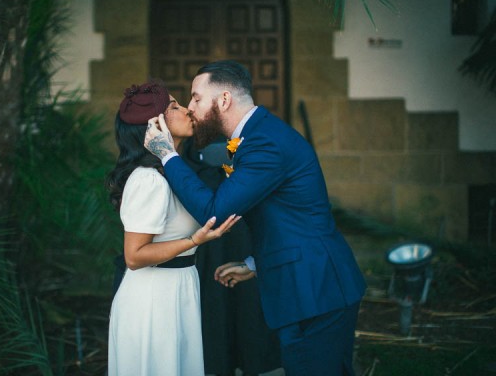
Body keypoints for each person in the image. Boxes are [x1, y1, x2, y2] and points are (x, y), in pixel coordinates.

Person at [144, 60, 367, 376]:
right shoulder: (257, 135)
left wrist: (167, 154)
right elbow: (287, 215)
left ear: (223, 100)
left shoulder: (264, 142)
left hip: (315, 290)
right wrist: (255, 263)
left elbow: (214, 213)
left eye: (195, 97)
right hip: (307, 284)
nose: (191, 107)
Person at [105, 81, 240, 376]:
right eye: (174, 106)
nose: (187, 110)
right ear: (155, 124)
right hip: (152, 301)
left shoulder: (172, 173)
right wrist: (195, 239)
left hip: (179, 288)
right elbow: (134, 256)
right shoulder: (148, 180)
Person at [181, 137, 282, 376]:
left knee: (249, 306)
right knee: (215, 304)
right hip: (209, 245)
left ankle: (251, 362)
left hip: (245, 236)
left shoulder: (248, 141)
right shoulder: (187, 153)